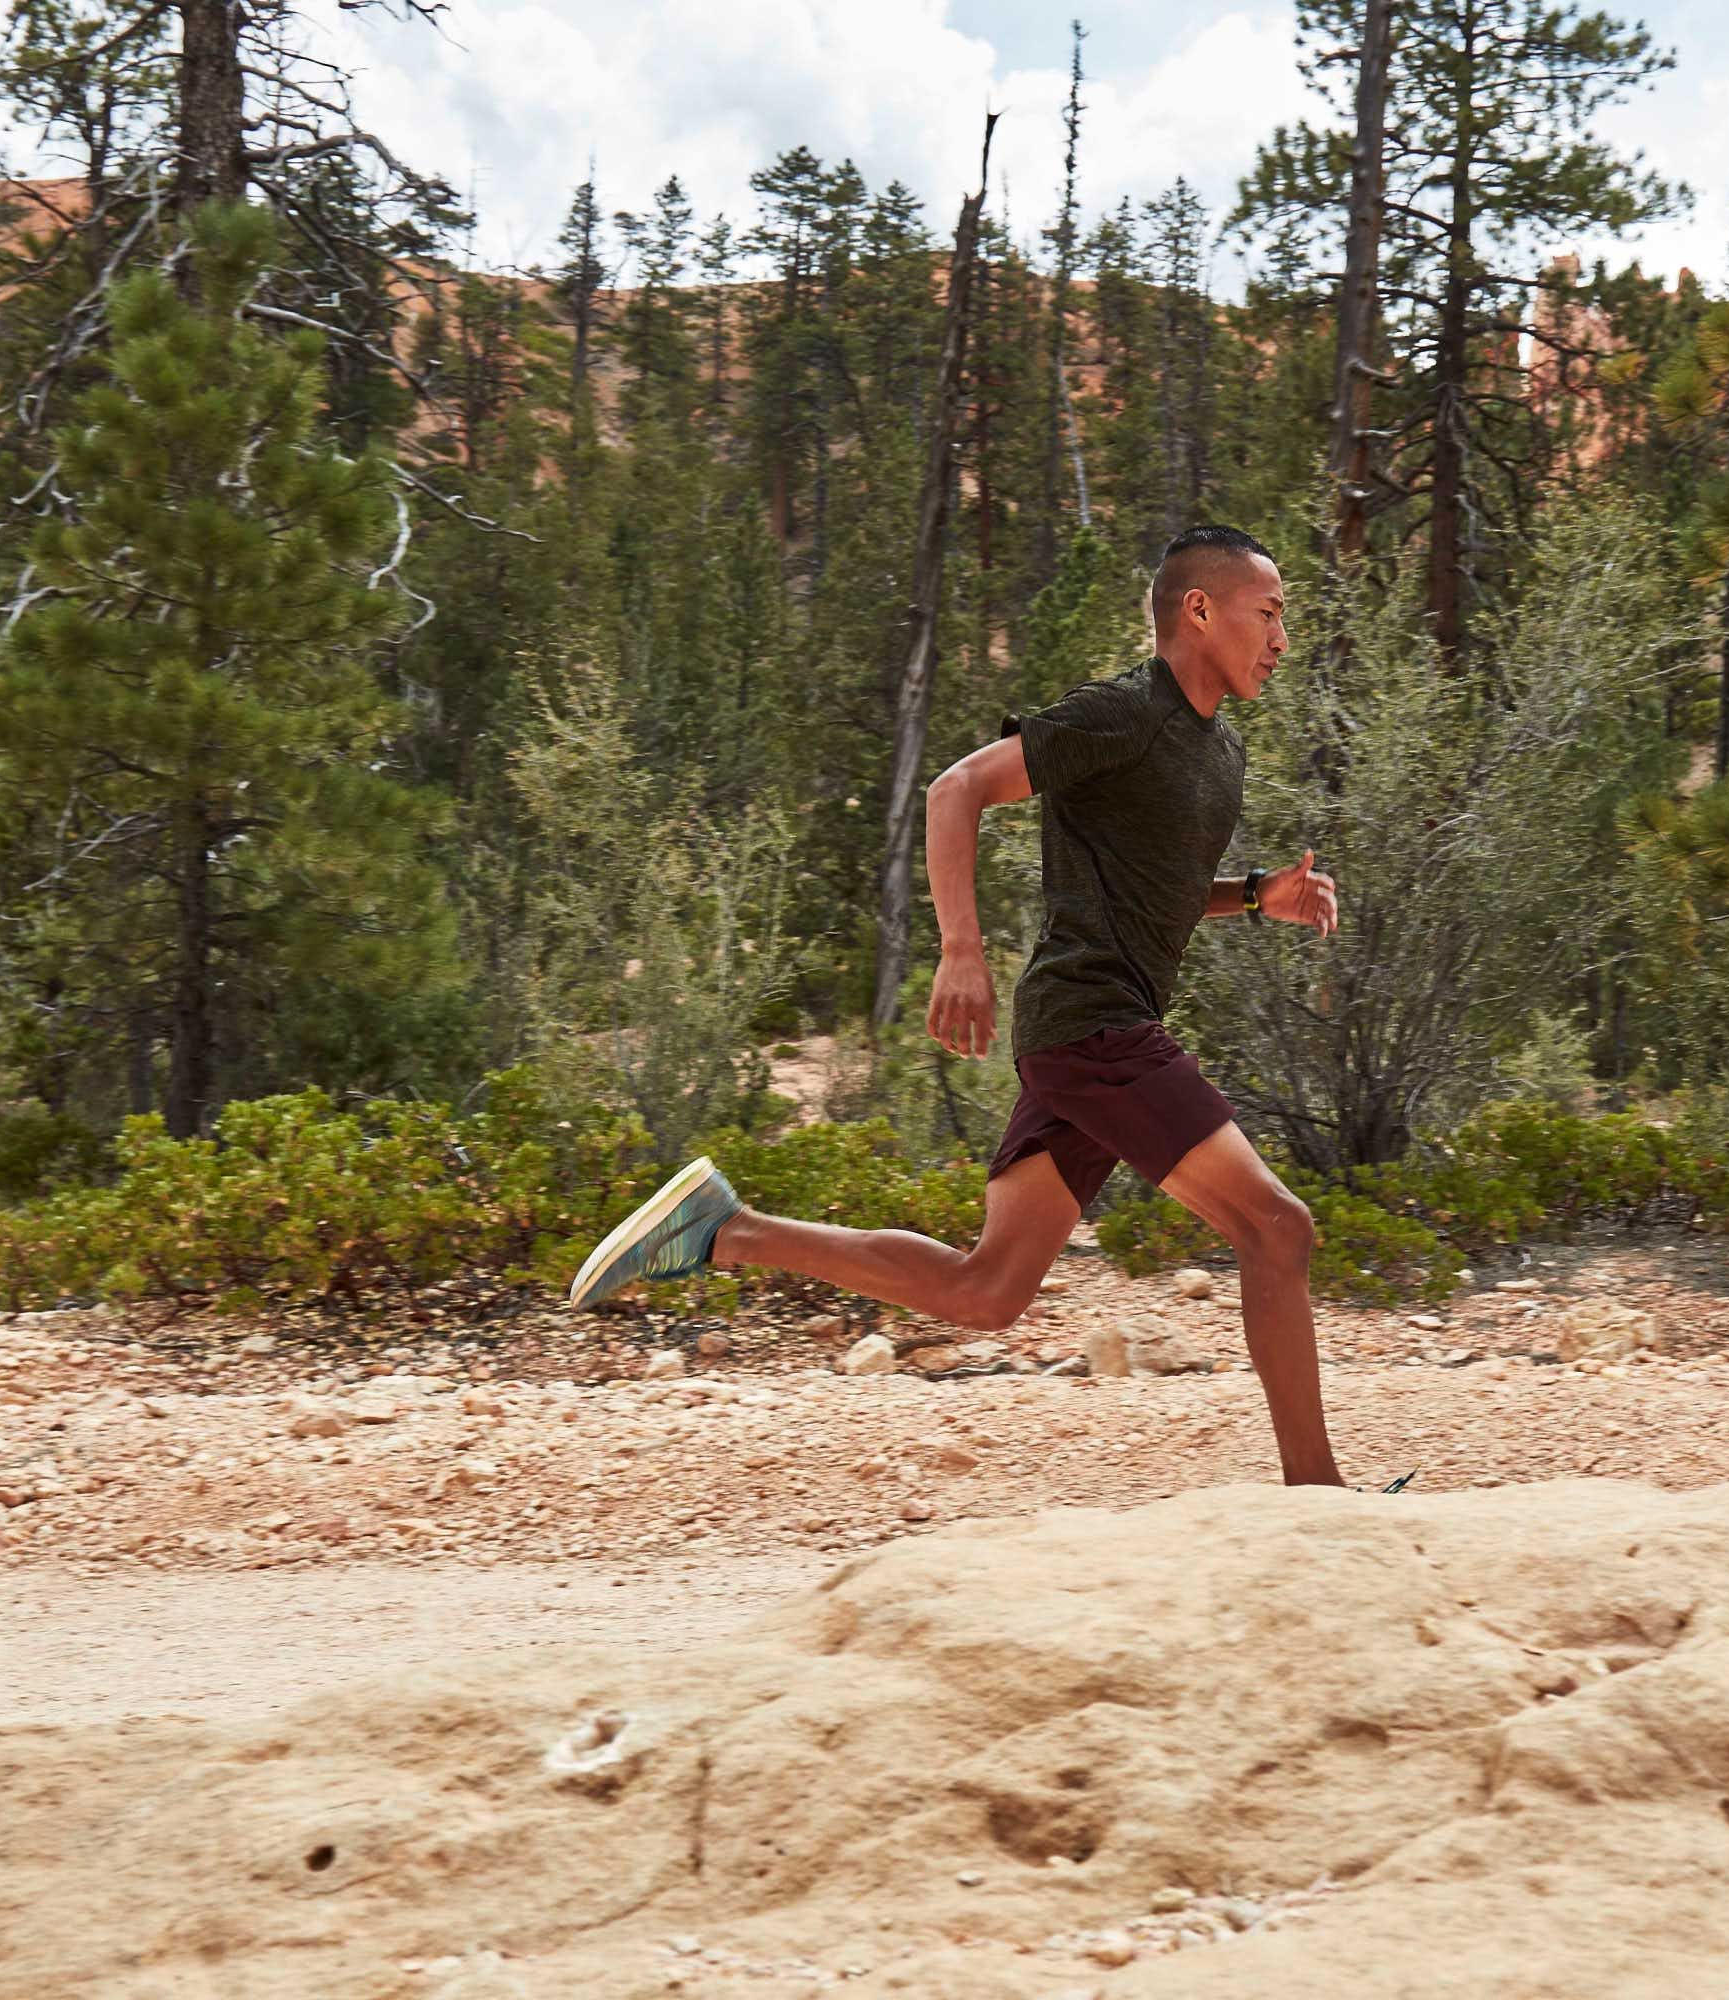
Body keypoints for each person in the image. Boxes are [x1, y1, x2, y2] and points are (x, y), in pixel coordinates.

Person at [567, 525, 1352, 1487]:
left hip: (1089, 1036)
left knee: (986, 1291)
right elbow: (959, 787)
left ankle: (720, 1229)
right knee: (1279, 1229)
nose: (1281, 639)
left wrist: (1256, 892)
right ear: (1199, 610)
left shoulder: (1217, 753)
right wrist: (961, 949)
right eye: (1267, 614)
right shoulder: (1120, 715)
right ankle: (1320, 1498)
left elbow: (1162, 886)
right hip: (1097, 1023)